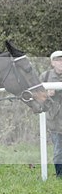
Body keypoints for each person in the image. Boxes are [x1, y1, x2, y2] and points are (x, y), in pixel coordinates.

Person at [41, 50, 62, 178]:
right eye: (58, 60)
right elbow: (36, 96)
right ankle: (60, 175)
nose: (61, 63)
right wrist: (46, 94)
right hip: (55, 120)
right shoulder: (45, 76)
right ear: (52, 63)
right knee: (58, 150)